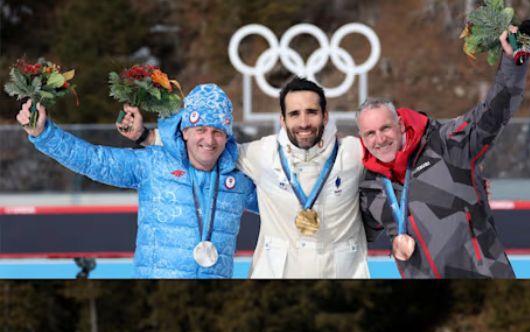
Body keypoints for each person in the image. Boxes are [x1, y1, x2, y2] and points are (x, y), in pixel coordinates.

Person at [356, 21, 530, 278]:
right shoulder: (370, 185)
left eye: (386, 128)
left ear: (401, 124)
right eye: (370, 133)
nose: (379, 139)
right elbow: (351, 233)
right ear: (361, 137)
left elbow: (493, 111)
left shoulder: (445, 144)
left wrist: (512, 62)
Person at [123, 78, 370, 279]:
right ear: (282, 120)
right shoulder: (260, 153)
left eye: (312, 112)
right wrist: (146, 136)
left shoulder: (355, 152)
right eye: (294, 114)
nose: (303, 122)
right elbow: (209, 149)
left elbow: (390, 149)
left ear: (325, 117)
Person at [18, 85, 257, 278]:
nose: (209, 139)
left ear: (227, 136)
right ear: (185, 131)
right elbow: (93, 160)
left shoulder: (240, 182)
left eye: (217, 132)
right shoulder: (152, 164)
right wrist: (44, 134)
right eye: (200, 129)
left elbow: (282, 205)